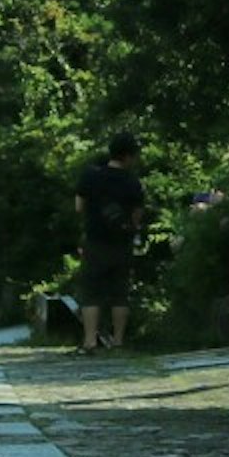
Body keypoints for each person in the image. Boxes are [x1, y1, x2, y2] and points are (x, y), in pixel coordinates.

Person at [73, 132, 150, 355]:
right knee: (120, 293)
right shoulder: (133, 182)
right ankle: (118, 341)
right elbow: (137, 215)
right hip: (121, 243)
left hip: (94, 241)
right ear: (128, 156)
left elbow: (78, 206)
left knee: (91, 292)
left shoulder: (90, 176)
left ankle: (89, 341)